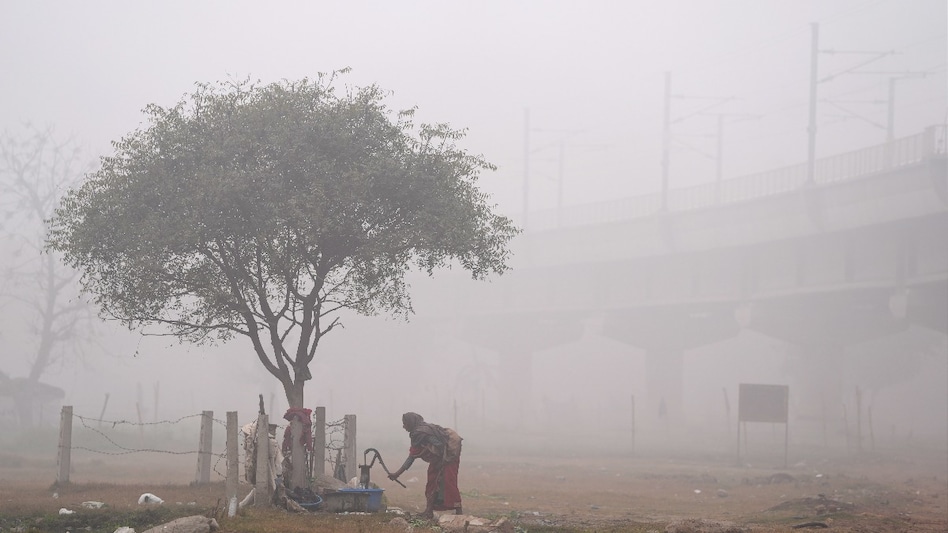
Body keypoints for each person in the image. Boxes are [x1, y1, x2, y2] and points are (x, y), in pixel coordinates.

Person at [388, 412, 463, 518]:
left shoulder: (421, 432)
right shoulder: (417, 433)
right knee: (432, 481)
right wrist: (397, 474)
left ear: (411, 422)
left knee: (448, 481)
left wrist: (422, 453)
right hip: (439, 456)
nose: (404, 427)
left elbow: (440, 445)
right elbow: (412, 456)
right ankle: (429, 511)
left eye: (405, 423)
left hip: (449, 454)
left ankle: (459, 511)